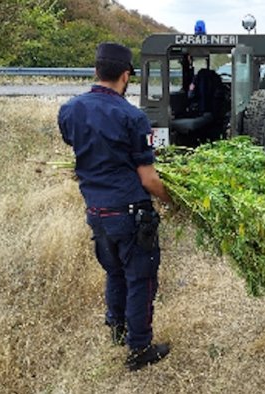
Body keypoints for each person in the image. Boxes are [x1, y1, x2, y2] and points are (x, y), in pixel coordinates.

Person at [57, 42, 173, 371]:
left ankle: (117, 330)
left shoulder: (69, 110)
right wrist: (171, 200)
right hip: (130, 212)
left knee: (115, 272)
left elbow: (76, 145)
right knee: (141, 278)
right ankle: (139, 350)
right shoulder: (132, 116)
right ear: (126, 76)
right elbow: (148, 178)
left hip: (96, 211)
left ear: (96, 71)